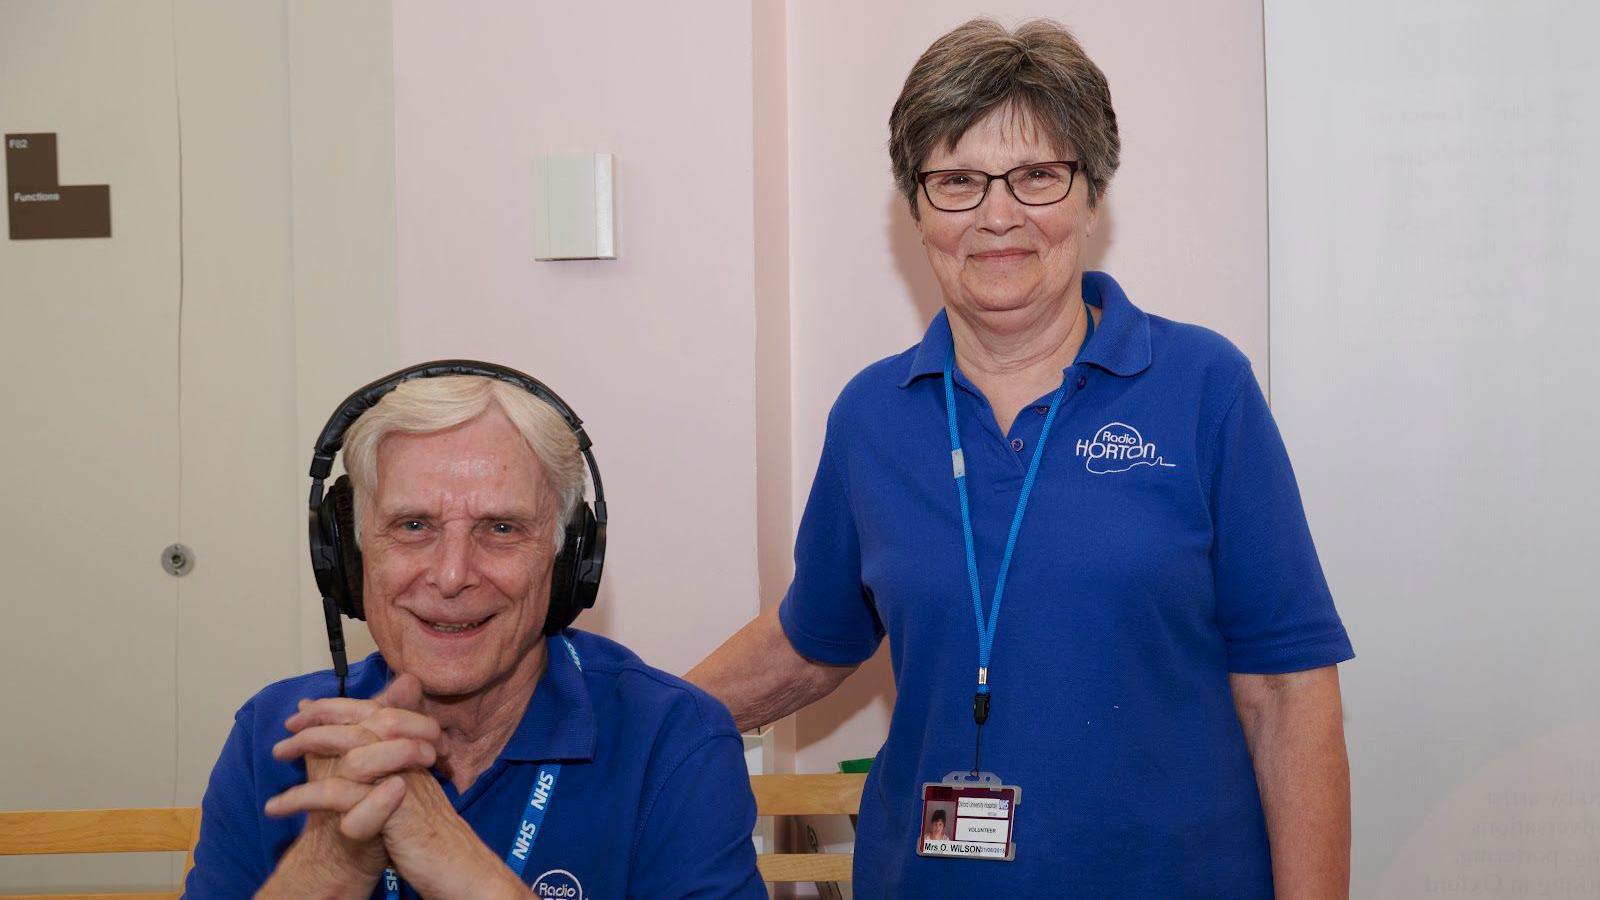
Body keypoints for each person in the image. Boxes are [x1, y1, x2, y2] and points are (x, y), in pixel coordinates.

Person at [688, 18, 1353, 898]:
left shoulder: (1204, 389)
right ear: (917, 208)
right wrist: (622, 718)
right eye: (958, 181)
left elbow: (1287, 693)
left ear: (1092, 195)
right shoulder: (870, 416)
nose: (998, 216)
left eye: (1037, 176)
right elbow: (812, 641)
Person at [185, 367, 765, 899]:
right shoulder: (274, 734)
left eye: (502, 528)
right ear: (350, 557)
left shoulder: (674, 738)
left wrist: (454, 860)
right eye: (413, 526)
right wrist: (331, 859)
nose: (453, 575)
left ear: (566, 562)